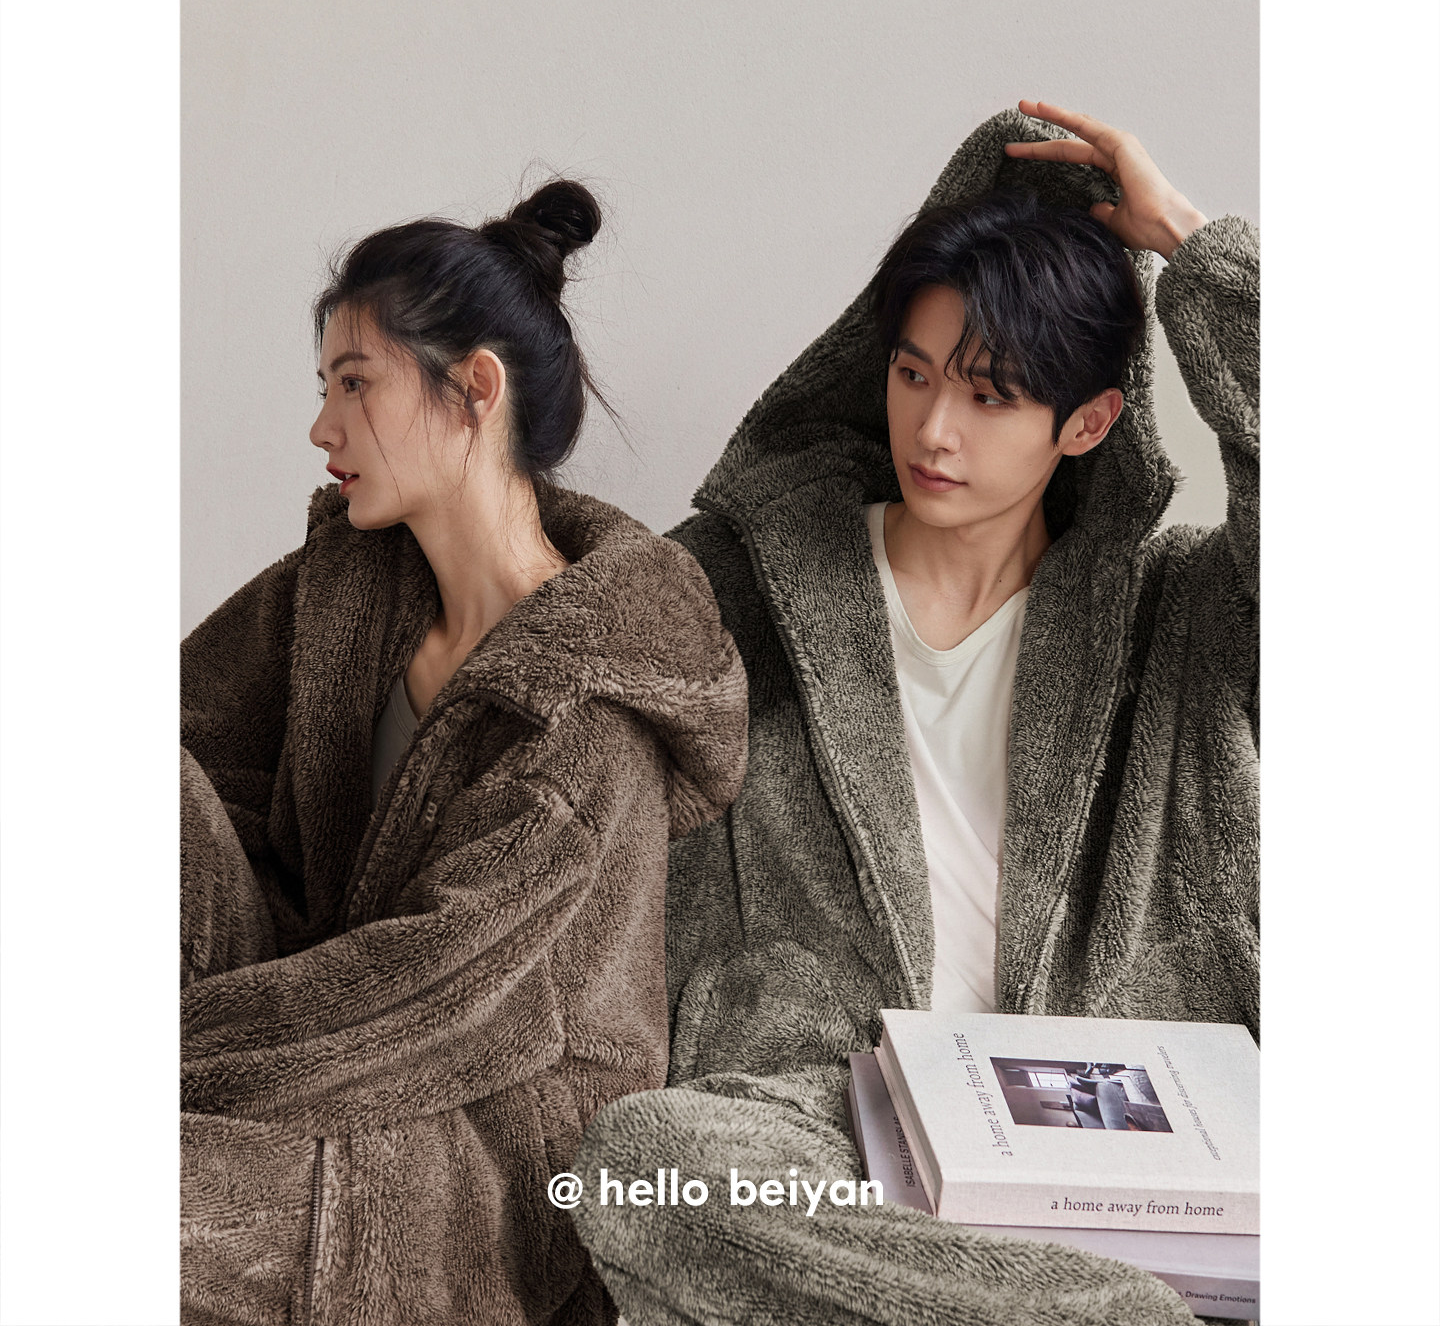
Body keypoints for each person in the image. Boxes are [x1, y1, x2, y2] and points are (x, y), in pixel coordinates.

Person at [570, 103, 1258, 1325]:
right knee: (642, 1164)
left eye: (990, 395)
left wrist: (1199, 251)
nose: (934, 429)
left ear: (1088, 422)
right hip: (834, 1127)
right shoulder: (744, 582)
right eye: (914, 373)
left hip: (1120, 1138)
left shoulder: (1183, 611)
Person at [179, 180, 749, 1325]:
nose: (323, 428)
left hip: (469, 1139)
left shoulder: (590, 699)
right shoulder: (344, 589)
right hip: (299, 1025)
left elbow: (431, 996)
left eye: (355, 384)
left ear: (475, 389)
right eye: (325, 389)